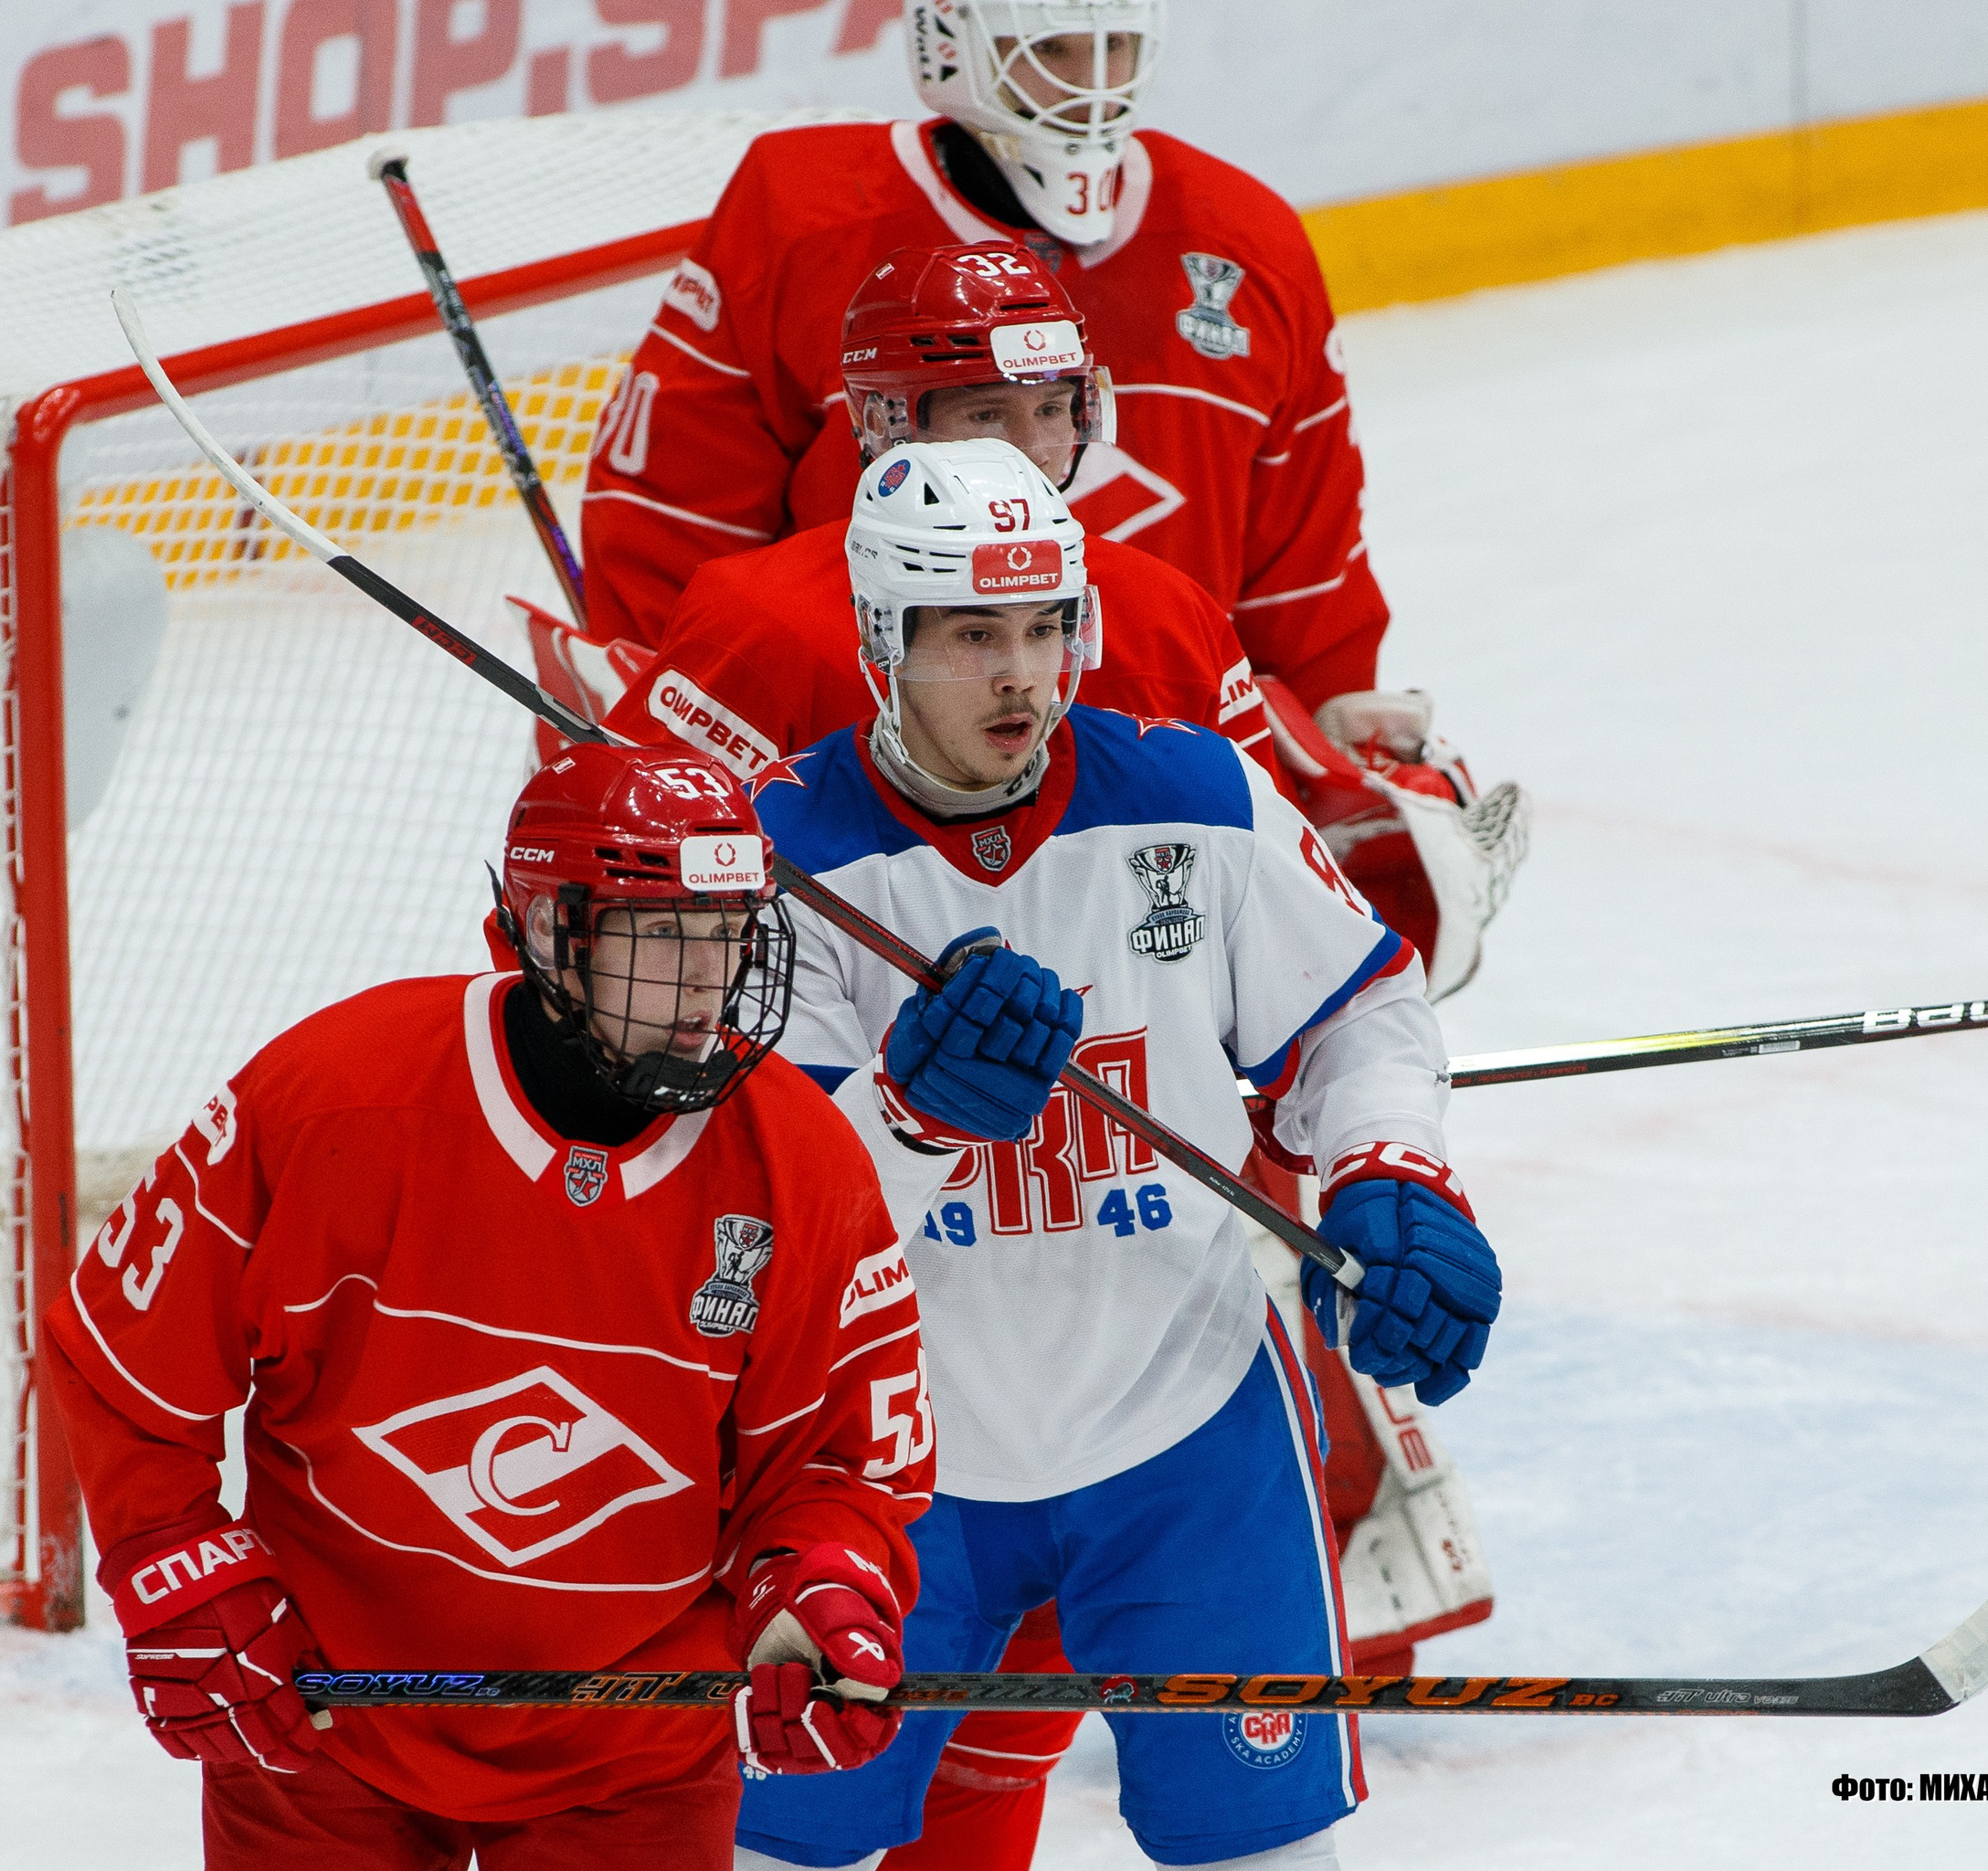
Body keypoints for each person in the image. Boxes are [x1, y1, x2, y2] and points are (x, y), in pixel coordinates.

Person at [729, 439, 1503, 1871]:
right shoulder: (781, 856)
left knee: (1269, 1857)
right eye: (975, 636)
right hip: (879, 1463)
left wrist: (1391, 1170)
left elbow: (1360, 1014)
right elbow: (769, 1217)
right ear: (883, 636)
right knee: (772, 1854)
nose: (1024, 677)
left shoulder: (1199, 799)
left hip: (1187, 1431)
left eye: (1047, 627)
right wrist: (913, 1113)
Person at [43, 743, 935, 1868]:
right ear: (550, 930)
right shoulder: (334, 1099)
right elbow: (124, 1352)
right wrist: (176, 1558)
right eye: (665, 933)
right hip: (326, 1718)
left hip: (636, 1744)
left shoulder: (799, 1160)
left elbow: (835, 1463)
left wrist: (815, 1589)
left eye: (727, 933)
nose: (706, 982)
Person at [576, 0, 1526, 978]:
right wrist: (678, 707)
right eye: (1056, 50)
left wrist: (1326, 736)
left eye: (1116, 47)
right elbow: (665, 519)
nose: (1093, 84)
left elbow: (1306, 560)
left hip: (1153, 784)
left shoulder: (1245, 245)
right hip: (866, 817)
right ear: (952, 39)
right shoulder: (803, 213)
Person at [608, 239, 1271, 787]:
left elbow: (1261, 870)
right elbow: (633, 873)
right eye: (986, 415)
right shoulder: (759, 622)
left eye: (1051, 409)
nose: (1032, 451)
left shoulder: (1173, 614)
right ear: (882, 424)